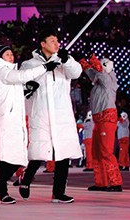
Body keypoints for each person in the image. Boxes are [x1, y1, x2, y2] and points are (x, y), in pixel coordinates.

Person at [19, 29, 83, 204]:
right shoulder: (29, 64)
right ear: (42, 44)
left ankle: (59, 192)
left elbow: (76, 72)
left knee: (62, 153)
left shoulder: (63, 61)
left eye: (57, 41)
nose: (57, 44)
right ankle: (26, 179)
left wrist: (67, 59)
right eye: (52, 41)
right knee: (39, 152)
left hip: (61, 114)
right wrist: (28, 87)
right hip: (41, 112)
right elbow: (22, 85)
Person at [0, 44, 52, 204]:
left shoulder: (7, 73)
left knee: (17, 157)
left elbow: (14, 91)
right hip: (4, 121)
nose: (11, 56)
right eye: (7, 54)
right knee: (4, 156)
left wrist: (26, 90)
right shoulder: (1, 71)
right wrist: (44, 68)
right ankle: (1, 192)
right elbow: (22, 76)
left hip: (14, 121)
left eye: (11, 54)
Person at [80, 55, 122, 192]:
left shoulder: (108, 80)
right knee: (97, 152)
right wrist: (82, 61)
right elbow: (92, 72)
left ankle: (115, 183)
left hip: (106, 119)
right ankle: (101, 182)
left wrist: (91, 58)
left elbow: (98, 71)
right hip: (99, 120)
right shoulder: (100, 80)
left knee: (106, 152)